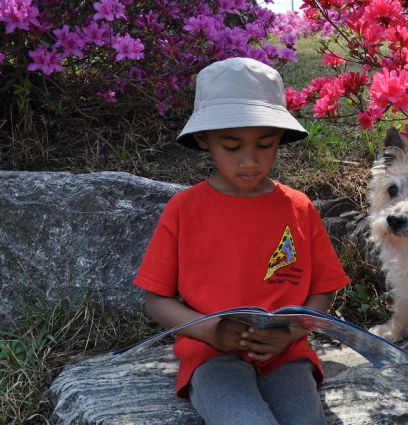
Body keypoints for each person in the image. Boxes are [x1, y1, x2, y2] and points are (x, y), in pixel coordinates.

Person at [133, 57, 351, 425]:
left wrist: (294, 331)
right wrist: (210, 331)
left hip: (284, 351)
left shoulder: (299, 207)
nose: (250, 161)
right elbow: (156, 298)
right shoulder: (184, 209)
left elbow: (324, 289)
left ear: (280, 138)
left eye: (265, 145)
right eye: (232, 147)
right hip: (211, 353)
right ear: (204, 140)